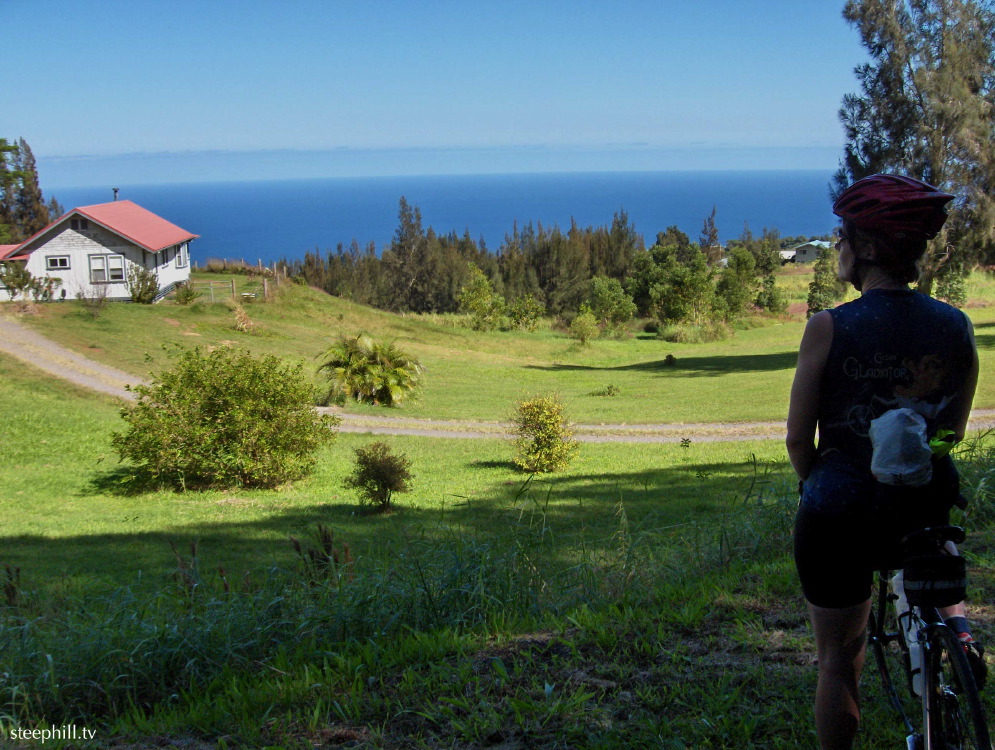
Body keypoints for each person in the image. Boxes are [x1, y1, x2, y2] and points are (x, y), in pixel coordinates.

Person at [786, 174, 983, 750]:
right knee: (933, 545)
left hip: (840, 512)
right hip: (921, 504)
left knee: (837, 662)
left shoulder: (828, 326)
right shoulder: (955, 326)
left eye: (844, 236)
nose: (838, 245)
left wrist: (819, 480)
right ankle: (958, 631)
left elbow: (798, 440)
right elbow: (952, 433)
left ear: (867, 248)